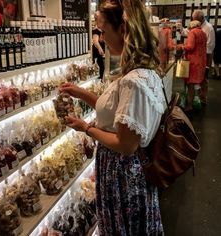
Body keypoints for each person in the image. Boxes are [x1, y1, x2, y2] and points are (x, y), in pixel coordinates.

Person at [60, 0, 164, 235]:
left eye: (104, 31)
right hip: (131, 172)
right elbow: (117, 113)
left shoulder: (132, 82)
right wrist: (80, 93)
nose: (102, 38)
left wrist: (86, 128)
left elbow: (125, 145)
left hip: (122, 175)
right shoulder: (144, 74)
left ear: (124, 31)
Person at [177, 20, 207, 112]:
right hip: (201, 61)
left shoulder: (192, 32)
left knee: (190, 84)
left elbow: (190, 47)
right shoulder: (203, 33)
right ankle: (199, 101)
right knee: (198, 83)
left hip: (193, 62)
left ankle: (189, 105)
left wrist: (181, 47)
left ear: (191, 26)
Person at [192, 10, 215, 105]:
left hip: (205, 57)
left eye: (196, 20)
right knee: (197, 77)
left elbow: (210, 46)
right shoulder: (197, 26)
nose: (194, 22)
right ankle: (196, 97)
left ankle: (203, 98)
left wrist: (197, 50)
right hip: (197, 57)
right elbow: (188, 32)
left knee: (204, 78)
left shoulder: (209, 28)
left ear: (202, 18)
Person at [92, 12, 105, 80]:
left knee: (102, 66)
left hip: (102, 50)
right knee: (100, 66)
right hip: (98, 51)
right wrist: (100, 49)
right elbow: (95, 42)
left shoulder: (102, 29)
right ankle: (99, 82)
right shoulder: (96, 30)